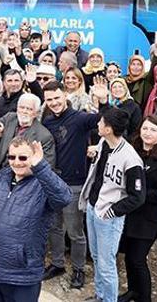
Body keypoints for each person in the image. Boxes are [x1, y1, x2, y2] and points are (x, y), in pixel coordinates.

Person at [0, 137, 71, 301]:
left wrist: (40, 167)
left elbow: (64, 198)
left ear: (34, 158)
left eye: (23, 157)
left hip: (22, 275)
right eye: (12, 157)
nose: (17, 162)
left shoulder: (44, 183)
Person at [40, 80, 110, 288]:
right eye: (49, 100)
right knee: (54, 227)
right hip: (53, 183)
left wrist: (104, 101)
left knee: (75, 231)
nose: (54, 103)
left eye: (57, 98)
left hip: (74, 184)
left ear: (65, 96)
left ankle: (78, 269)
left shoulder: (79, 119)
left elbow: (106, 120)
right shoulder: (48, 122)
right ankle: (58, 263)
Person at [78, 108, 146, 302]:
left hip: (108, 216)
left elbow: (138, 197)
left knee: (107, 264)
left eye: (100, 122)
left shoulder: (131, 159)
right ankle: (100, 296)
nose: (97, 124)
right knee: (98, 258)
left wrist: (111, 211)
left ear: (108, 128)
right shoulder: (103, 143)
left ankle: (108, 299)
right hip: (93, 207)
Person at [119, 116, 157, 302]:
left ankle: (144, 298)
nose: (148, 133)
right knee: (129, 257)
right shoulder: (131, 151)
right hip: (129, 214)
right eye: (145, 128)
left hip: (149, 217)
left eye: (153, 130)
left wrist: (140, 194)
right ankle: (132, 291)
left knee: (138, 259)